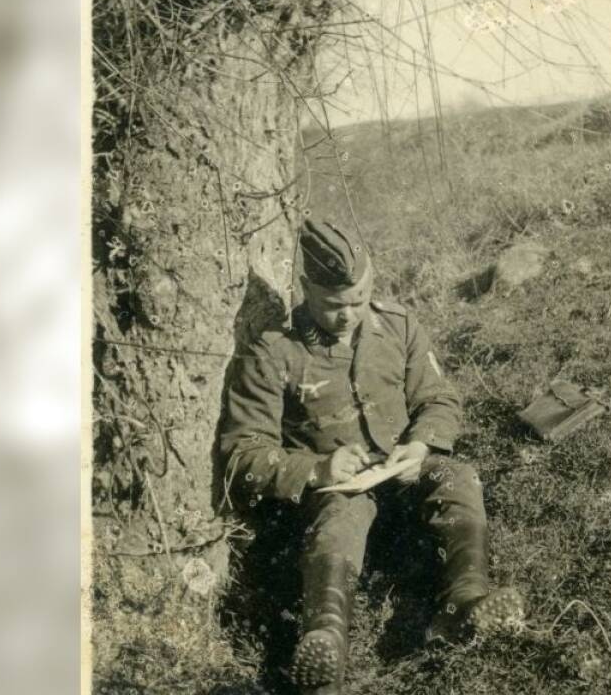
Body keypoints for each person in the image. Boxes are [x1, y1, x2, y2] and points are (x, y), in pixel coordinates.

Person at [219, 218, 525, 695]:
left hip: (404, 470)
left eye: (359, 302)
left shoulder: (397, 325)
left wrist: (420, 444)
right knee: (339, 520)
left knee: (458, 477)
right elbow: (242, 452)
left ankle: (463, 602)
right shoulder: (274, 352)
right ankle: (325, 643)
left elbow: (439, 399)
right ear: (306, 289)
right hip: (336, 489)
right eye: (335, 306)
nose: (348, 316)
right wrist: (317, 469)